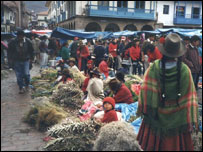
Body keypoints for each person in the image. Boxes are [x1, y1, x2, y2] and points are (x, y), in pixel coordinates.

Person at [136, 33, 198, 151]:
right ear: (178, 52)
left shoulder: (154, 67)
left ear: (164, 51)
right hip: (177, 119)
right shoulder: (185, 70)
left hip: (156, 119)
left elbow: (146, 92)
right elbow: (189, 97)